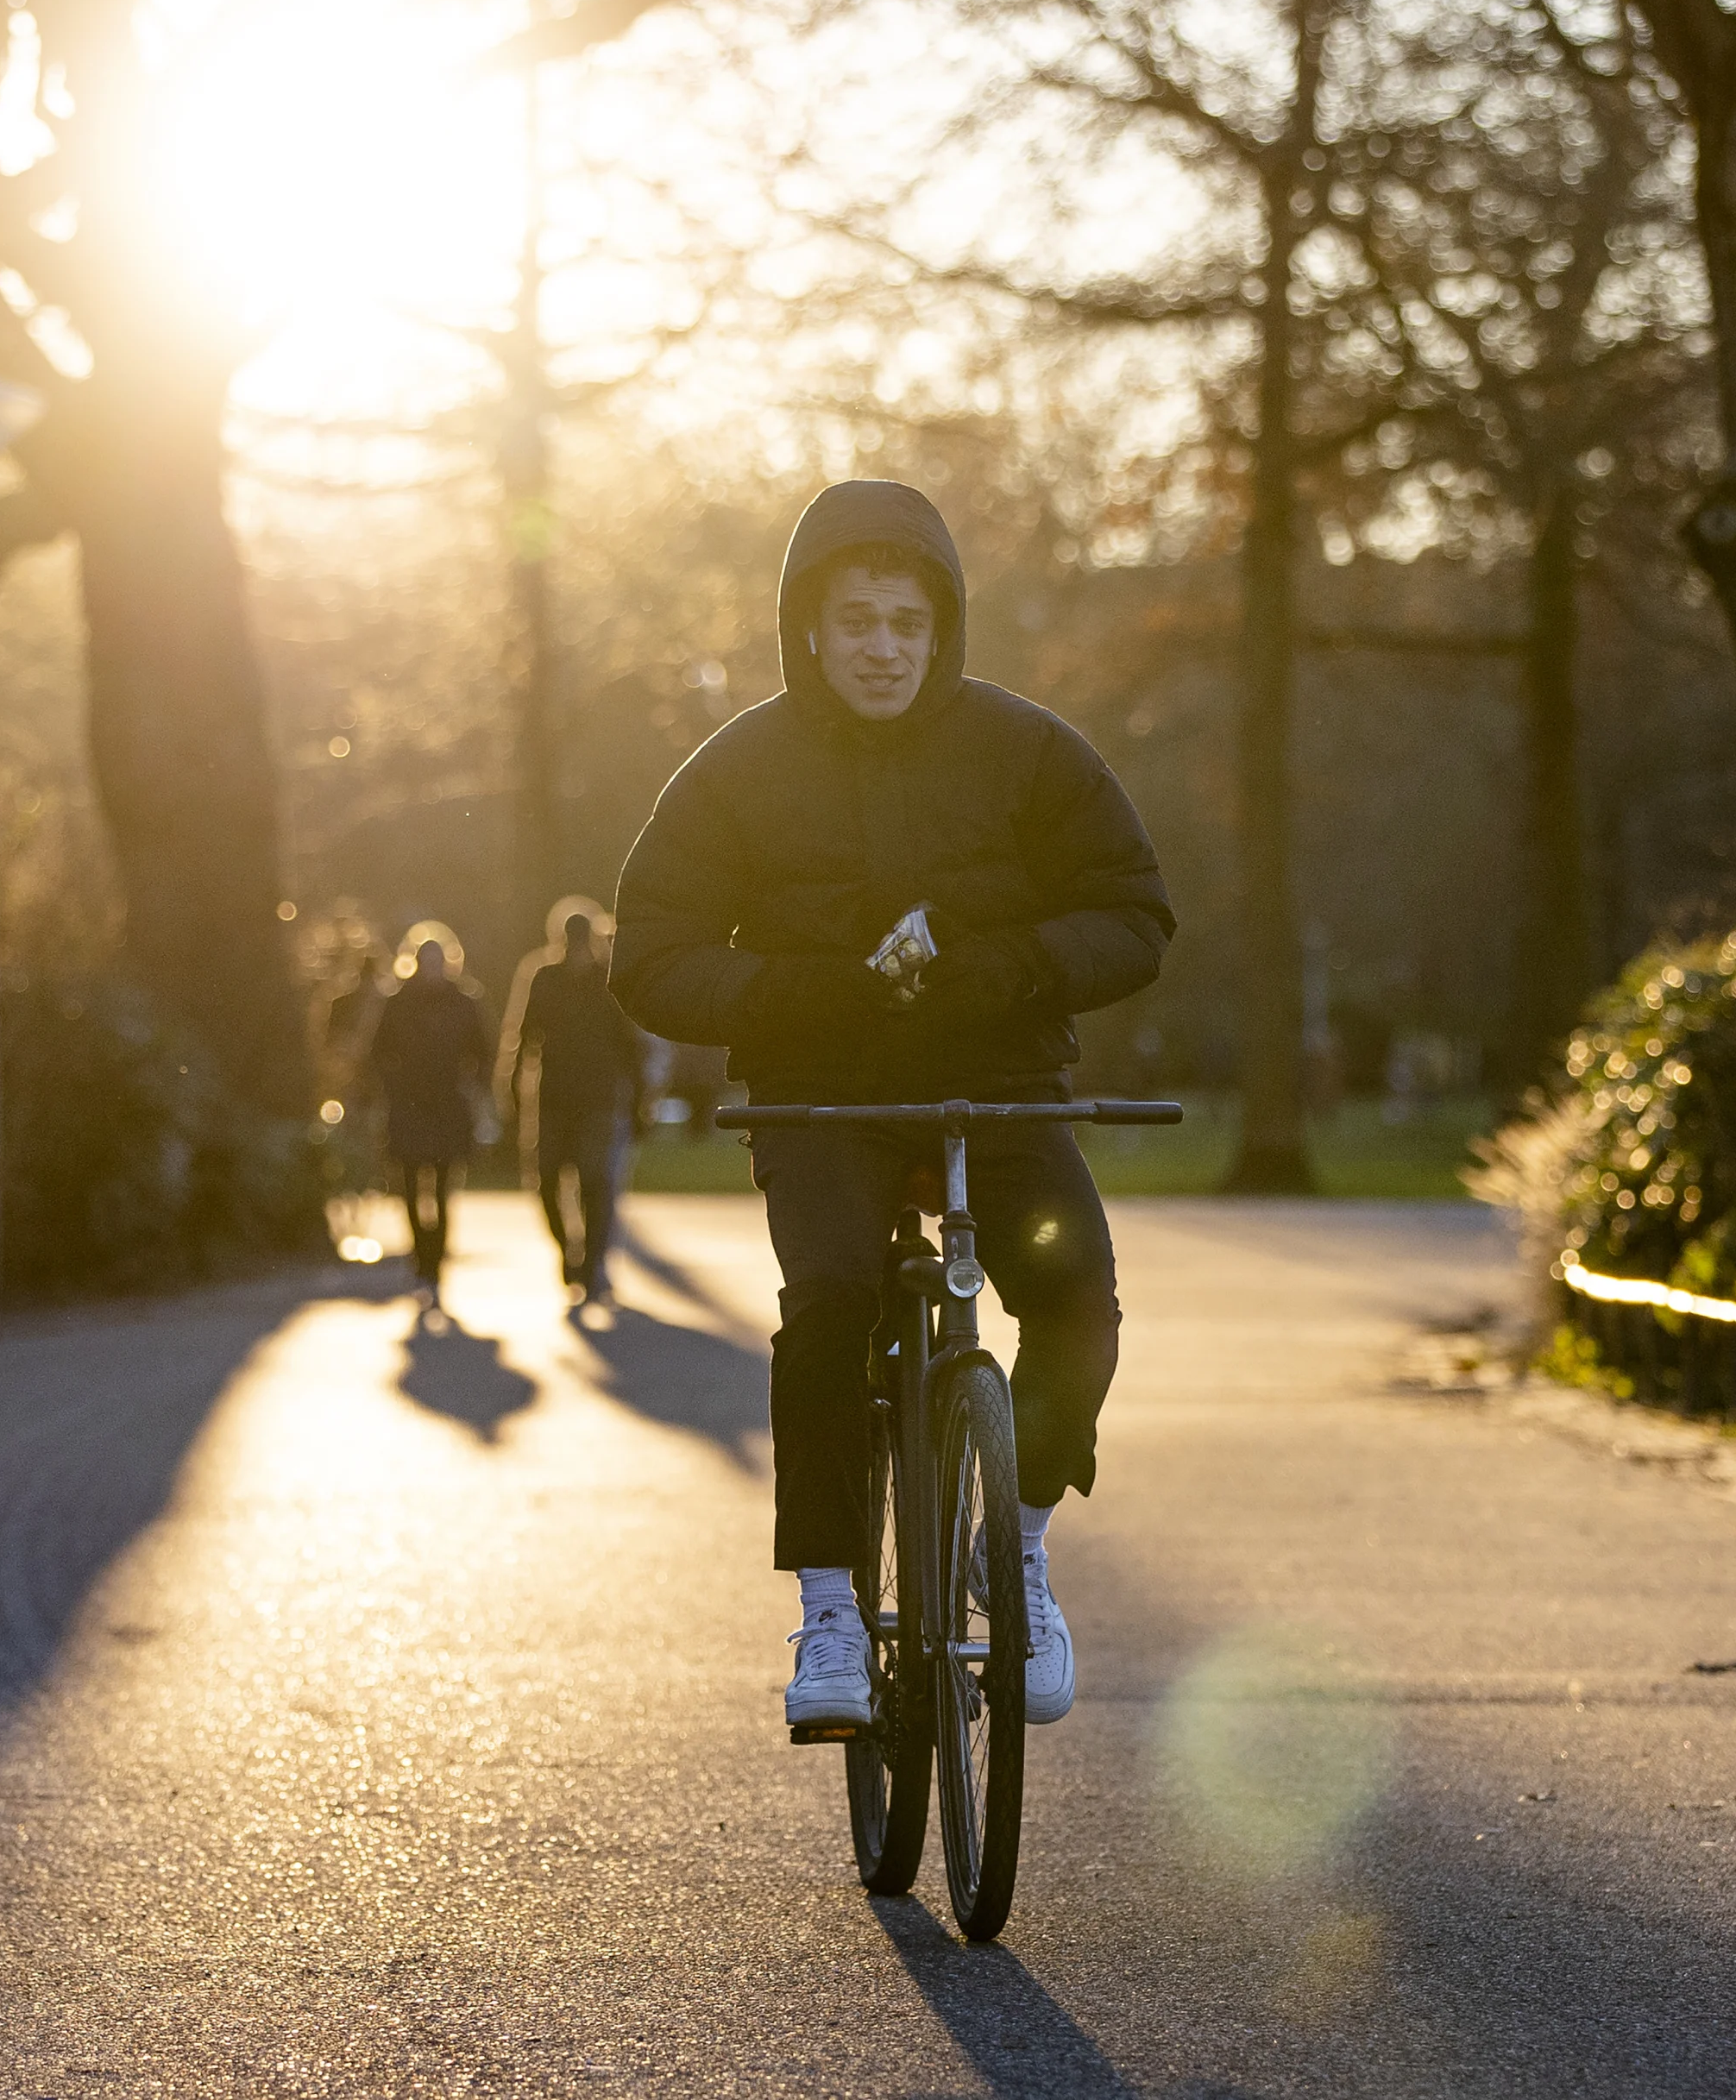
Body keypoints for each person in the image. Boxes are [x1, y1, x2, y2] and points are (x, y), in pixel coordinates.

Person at [609, 481, 1172, 1739]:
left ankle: (1013, 1546)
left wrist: (1007, 962)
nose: (882, 647)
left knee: (1077, 1291)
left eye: (907, 624)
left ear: (943, 629)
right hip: (820, 1102)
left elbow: (1137, 916)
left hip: (1000, 1087)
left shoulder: (1028, 751)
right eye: (857, 620)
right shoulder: (737, 769)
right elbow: (648, 953)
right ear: (810, 626)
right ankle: (825, 1606)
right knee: (831, 1312)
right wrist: (803, 993)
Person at [497, 905, 650, 1307]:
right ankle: (569, 1249)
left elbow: (630, 1047)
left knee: (596, 1182)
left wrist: (638, 1100)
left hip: (600, 1099)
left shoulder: (609, 982)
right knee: (546, 1180)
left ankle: (593, 1263)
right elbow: (524, 1035)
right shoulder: (543, 977)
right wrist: (511, 1088)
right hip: (553, 1098)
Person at [368, 932, 488, 1304]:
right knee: (406, 1187)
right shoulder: (398, 1003)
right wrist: (391, 1084)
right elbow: (378, 1051)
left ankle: (434, 1262)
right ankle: (420, 1256)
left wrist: (473, 1088)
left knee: (441, 1189)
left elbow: (483, 1051)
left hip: (448, 1105)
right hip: (408, 1105)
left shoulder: (464, 1003)